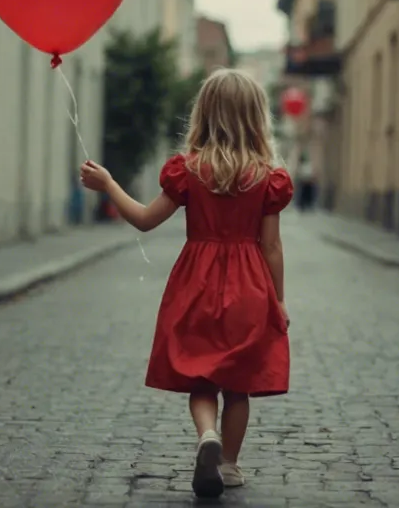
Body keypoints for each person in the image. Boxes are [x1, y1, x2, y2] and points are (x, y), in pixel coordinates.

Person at [79, 68, 293, 499]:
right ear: (256, 117)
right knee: (238, 385)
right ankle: (229, 465)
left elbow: (143, 220)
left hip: (195, 284)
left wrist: (108, 184)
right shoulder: (267, 178)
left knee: (201, 379)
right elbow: (271, 246)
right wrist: (278, 301)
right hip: (250, 287)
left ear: (204, 115)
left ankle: (206, 435)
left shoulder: (188, 171)